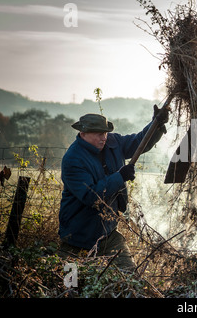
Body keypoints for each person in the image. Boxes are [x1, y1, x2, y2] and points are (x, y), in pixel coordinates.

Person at [57, 106, 168, 272]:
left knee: (129, 277)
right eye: (98, 134)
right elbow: (90, 196)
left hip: (108, 234)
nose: (103, 138)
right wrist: (120, 177)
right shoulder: (73, 159)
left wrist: (156, 124)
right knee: (69, 285)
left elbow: (139, 142)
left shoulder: (112, 142)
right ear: (83, 134)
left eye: (105, 132)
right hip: (76, 238)